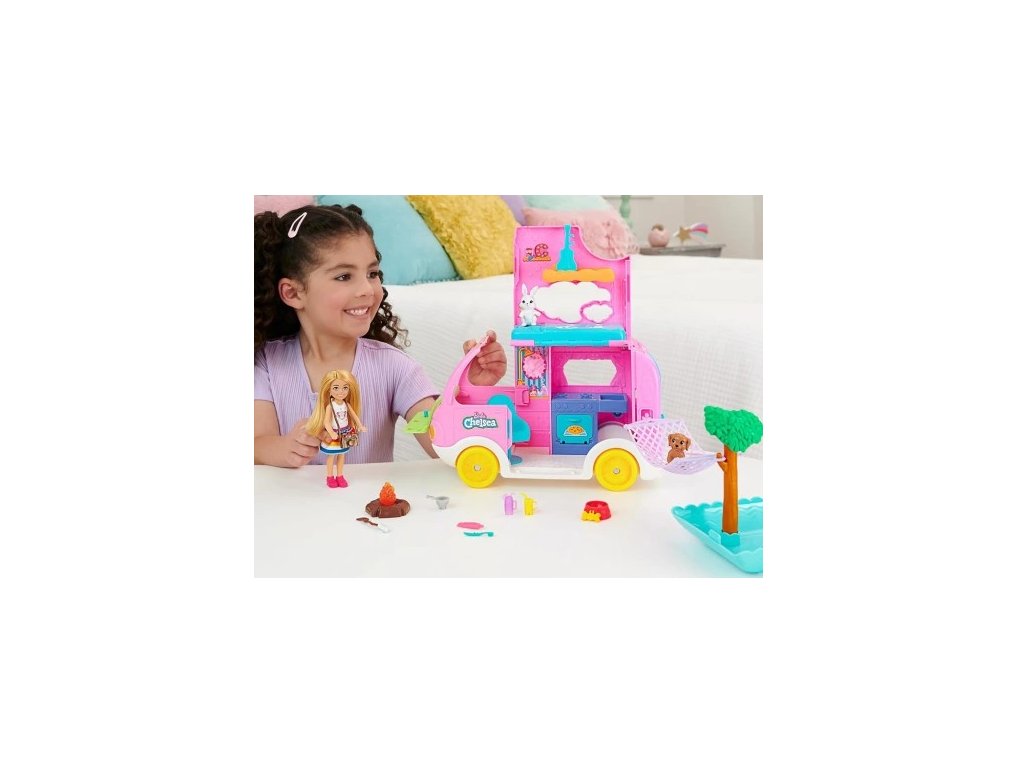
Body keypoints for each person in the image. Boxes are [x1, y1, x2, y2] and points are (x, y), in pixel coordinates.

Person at [255, 203, 506, 468]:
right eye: (344, 276)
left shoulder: (394, 367)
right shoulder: (266, 365)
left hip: (372, 497)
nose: (367, 288)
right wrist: (285, 448)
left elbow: (442, 444)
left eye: (372, 273)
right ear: (293, 293)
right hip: (292, 497)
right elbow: (257, 444)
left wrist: (470, 389)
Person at [306, 369, 367, 487]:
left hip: (344, 433)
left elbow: (354, 416)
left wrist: (360, 425)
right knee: (331, 457)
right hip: (334, 433)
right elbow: (326, 422)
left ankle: (340, 475)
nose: (341, 392)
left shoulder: (346, 404)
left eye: (345, 388)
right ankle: (330, 477)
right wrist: (331, 433)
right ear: (329, 390)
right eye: (336, 388)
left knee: (342, 455)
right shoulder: (330, 406)